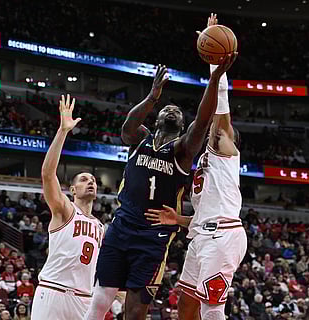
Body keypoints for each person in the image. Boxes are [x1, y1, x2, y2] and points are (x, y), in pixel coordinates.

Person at [85, 14, 237, 320]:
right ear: (156, 120)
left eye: (177, 112)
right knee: (99, 300)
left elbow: (205, 120)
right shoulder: (139, 139)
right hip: (121, 226)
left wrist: (215, 77)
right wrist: (152, 97)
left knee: (136, 308)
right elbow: (128, 126)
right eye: (167, 108)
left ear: (181, 126)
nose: (172, 110)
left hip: (152, 236)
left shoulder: (182, 150)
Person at [144, 14, 245, 320]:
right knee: (186, 305)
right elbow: (205, 215)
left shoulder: (226, 150)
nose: (215, 131)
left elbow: (220, 110)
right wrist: (179, 218)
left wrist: (215, 66)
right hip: (203, 234)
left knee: (211, 308)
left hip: (223, 237)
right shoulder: (205, 161)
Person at [31, 94, 105, 320]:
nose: (90, 181)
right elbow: (47, 174)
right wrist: (63, 131)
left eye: (92, 179)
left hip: (85, 298)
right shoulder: (64, 209)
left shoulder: (100, 226)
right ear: (72, 190)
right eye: (83, 179)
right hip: (54, 291)